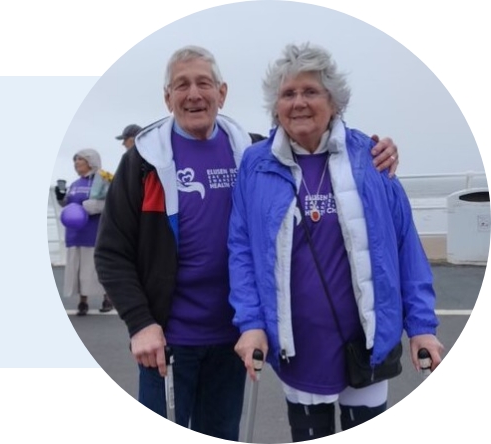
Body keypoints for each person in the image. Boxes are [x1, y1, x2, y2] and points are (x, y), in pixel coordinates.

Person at [93, 45, 400, 440]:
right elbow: (111, 252)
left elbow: (321, 147)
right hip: (166, 341)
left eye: (204, 83)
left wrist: (379, 151)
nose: (194, 95)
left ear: (222, 93)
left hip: (235, 338)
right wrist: (141, 324)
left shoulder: (253, 153)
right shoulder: (144, 161)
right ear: (167, 97)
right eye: (181, 85)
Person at [229, 42, 444, 441]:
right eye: (288, 94)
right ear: (275, 106)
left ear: (334, 101)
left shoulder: (371, 157)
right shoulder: (255, 165)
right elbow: (241, 250)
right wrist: (251, 323)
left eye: (311, 91)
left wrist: (422, 327)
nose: (299, 103)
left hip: (366, 343)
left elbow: (404, 247)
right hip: (299, 347)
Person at [55, 149, 114, 315]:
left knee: (96, 268)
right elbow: (69, 206)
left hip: (94, 233)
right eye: (75, 160)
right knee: (78, 269)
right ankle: (83, 301)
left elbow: (109, 203)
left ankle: (107, 298)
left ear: (90, 161)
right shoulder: (74, 184)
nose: (76, 163)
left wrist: (89, 207)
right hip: (74, 235)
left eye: (79, 160)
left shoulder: (102, 180)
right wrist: (61, 198)